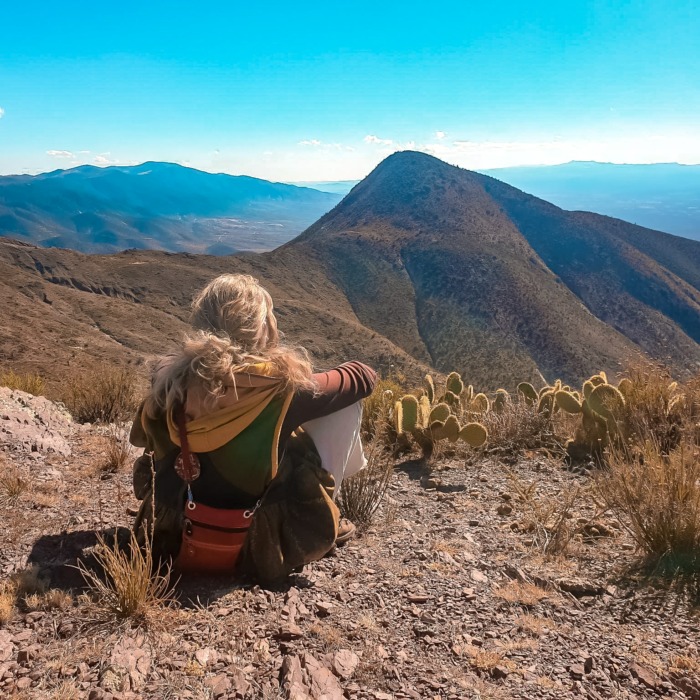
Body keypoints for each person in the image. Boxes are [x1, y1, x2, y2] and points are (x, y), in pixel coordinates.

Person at [129, 273, 377, 584]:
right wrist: (305, 379)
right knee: (343, 409)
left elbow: (167, 379)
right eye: (269, 317)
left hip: (165, 534)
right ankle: (328, 512)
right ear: (261, 328)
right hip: (253, 545)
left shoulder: (167, 378)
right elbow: (363, 377)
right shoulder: (284, 390)